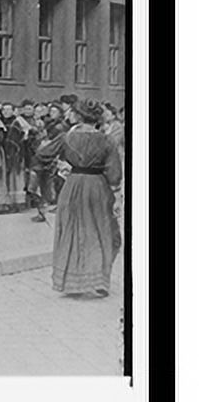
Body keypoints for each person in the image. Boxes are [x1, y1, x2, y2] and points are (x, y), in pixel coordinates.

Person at [38, 99, 122, 297]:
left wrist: (62, 165)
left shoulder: (67, 137)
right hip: (98, 186)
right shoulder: (106, 139)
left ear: (78, 116)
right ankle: (98, 281)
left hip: (73, 184)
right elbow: (114, 173)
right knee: (100, 230)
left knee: (71, 229)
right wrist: (116, 195)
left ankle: (71, 282)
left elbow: (43, 153)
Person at [0, 102, 28, 212]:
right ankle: (9, 202)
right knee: (8, 179)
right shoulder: (1, 122)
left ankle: (19, 203)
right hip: (5, 152)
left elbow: (23, 137)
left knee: (17, 178)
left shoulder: (17, 122)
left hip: (16, 153)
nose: (6, 112)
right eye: (4, 110)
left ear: (13, 111)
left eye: (8, 110)